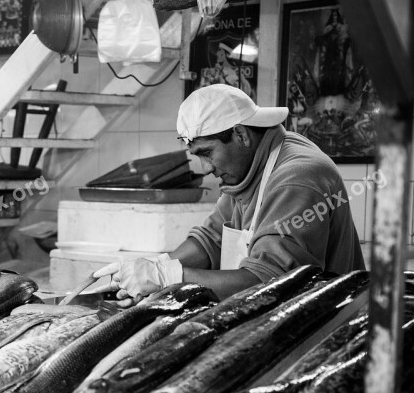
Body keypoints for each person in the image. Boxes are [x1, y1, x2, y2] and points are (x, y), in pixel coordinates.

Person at [94, 84, 364, 303]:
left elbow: (270, 284)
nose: (206, 168)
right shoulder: (249, 169)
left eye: (207, 153)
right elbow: (211, 240)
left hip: (327, 325)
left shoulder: (296, 178)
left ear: (241, 135)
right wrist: (152, 270)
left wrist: (170, 276)